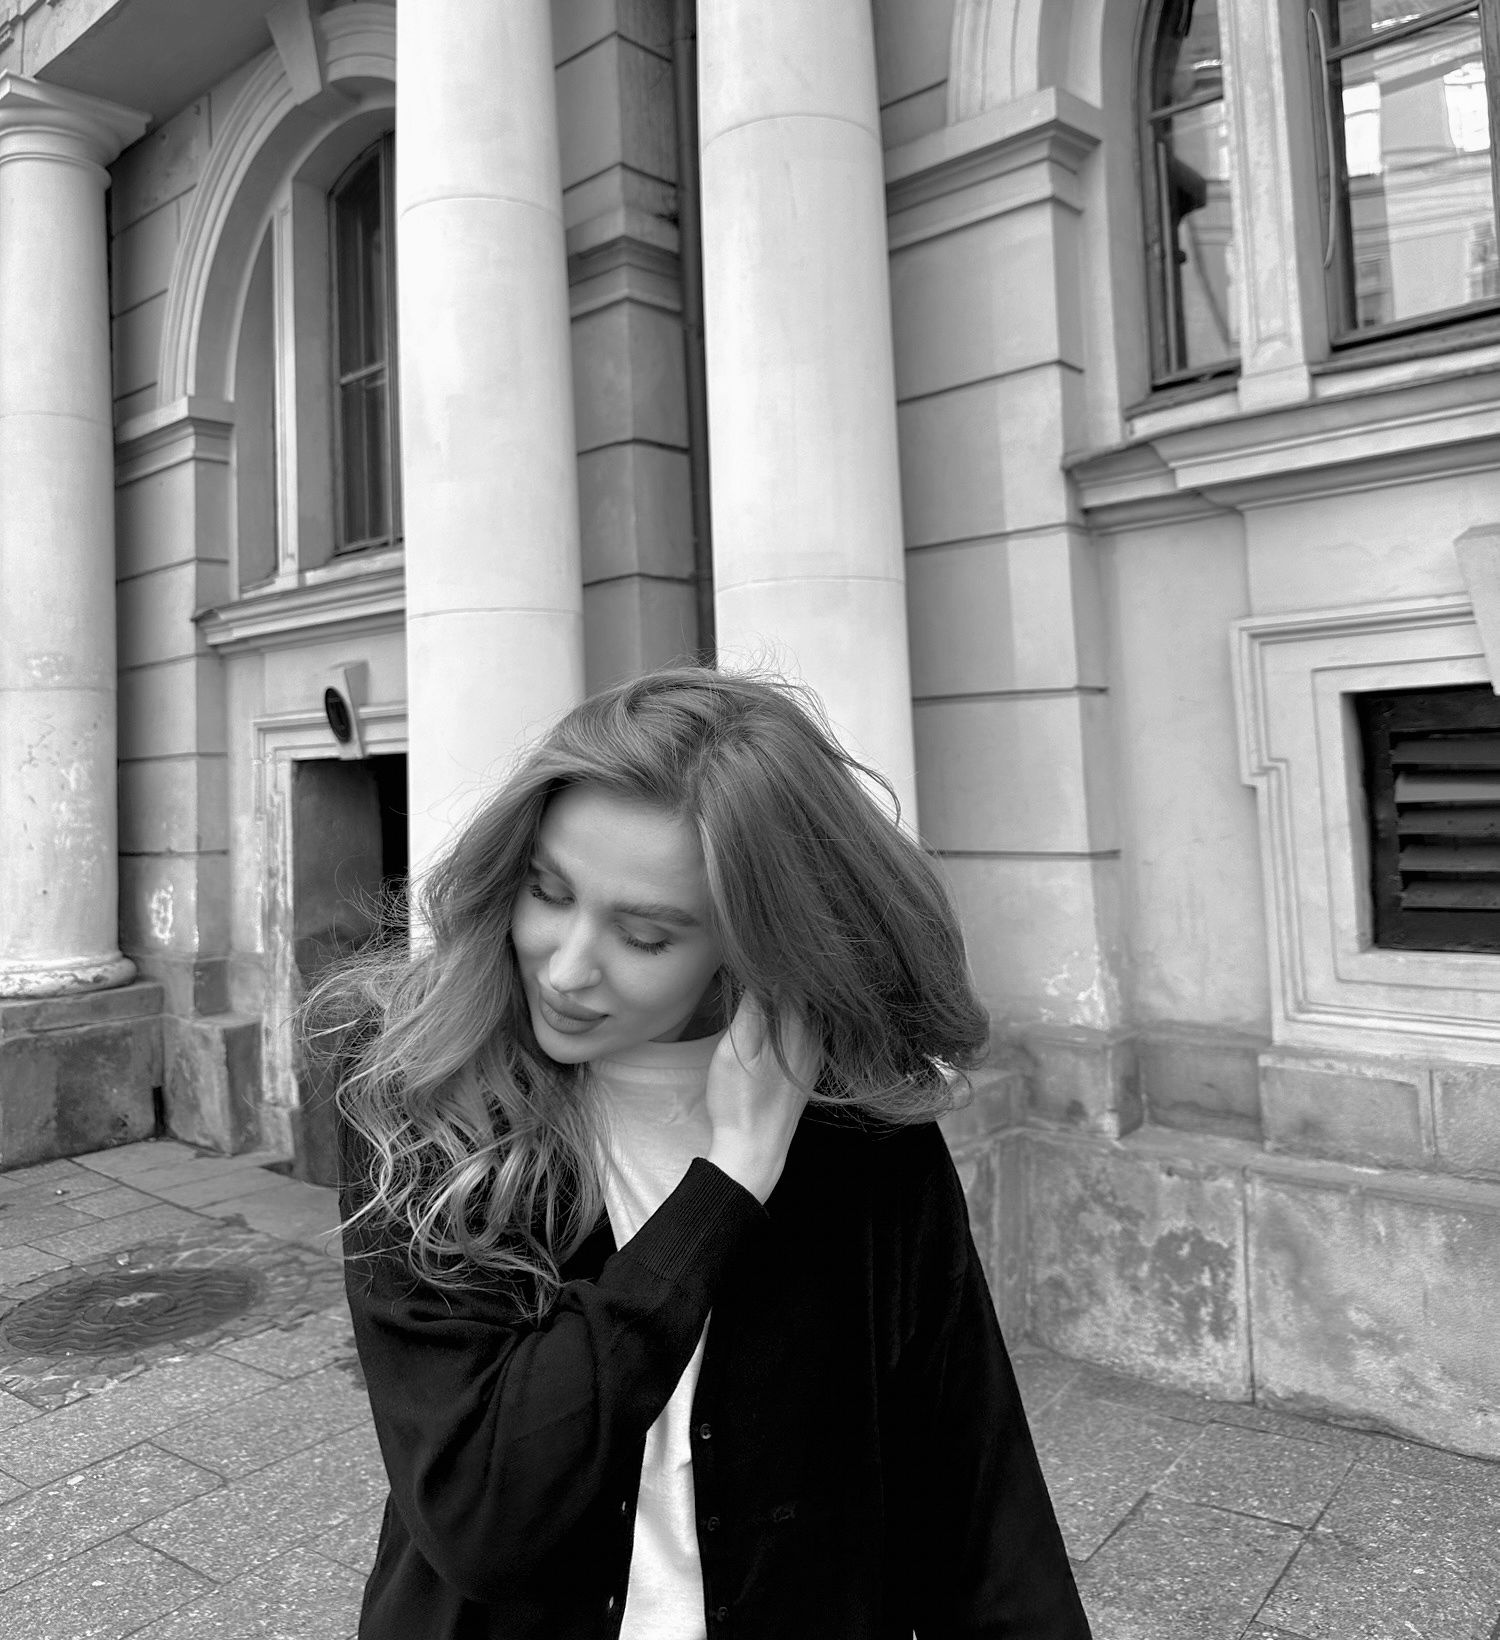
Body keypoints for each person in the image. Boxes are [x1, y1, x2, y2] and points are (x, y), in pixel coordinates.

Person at [313, 666, 1092, 1639]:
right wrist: (723, 1189)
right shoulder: (424, 1094)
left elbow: (976, 1502)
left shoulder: (863, 1137)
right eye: (547, 891)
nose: (566, 967)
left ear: (754, 939)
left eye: (644, 935)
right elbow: (483, 1517)